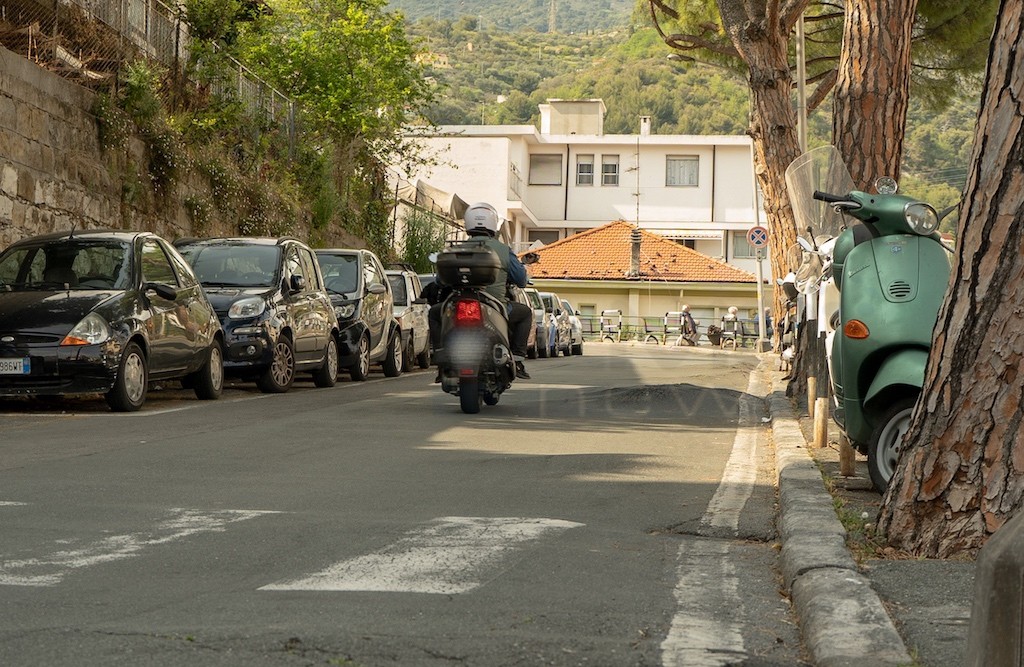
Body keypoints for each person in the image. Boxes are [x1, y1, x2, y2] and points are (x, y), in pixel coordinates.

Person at [429, 202, 533, 381]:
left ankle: (440, 358)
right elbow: (521, 280)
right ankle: (517, 359)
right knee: (525, 314)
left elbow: (440, 280)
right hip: (495, 305)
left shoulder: (456, 248)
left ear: (468, 223)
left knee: (433, 313)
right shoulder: (504, 251)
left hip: (457, 303)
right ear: (493, 224)